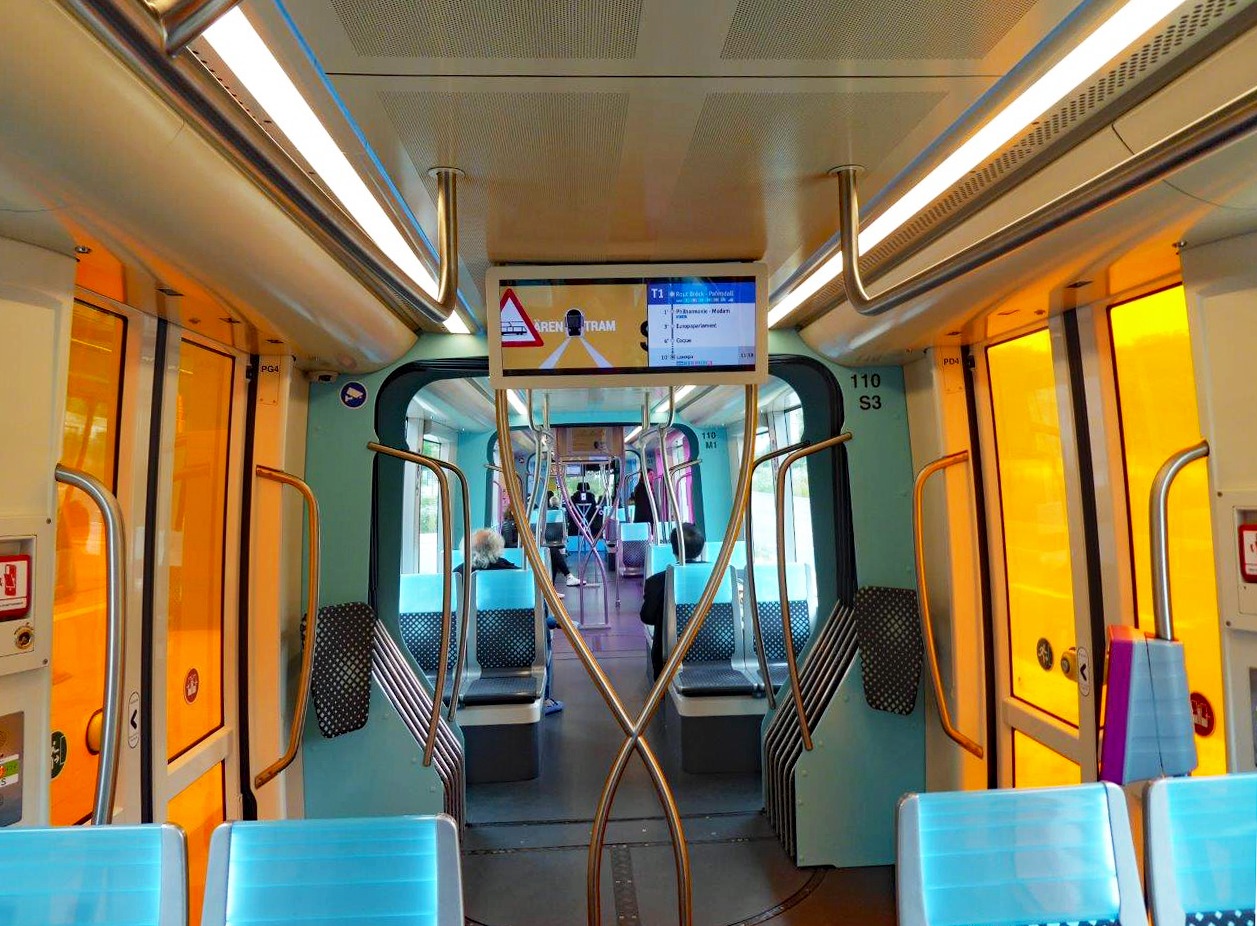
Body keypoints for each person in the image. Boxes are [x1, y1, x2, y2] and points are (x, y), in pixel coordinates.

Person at [455, 528, 564, 715]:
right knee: (543, 629)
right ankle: (546, 699)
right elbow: (537, 610)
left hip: (469, 645)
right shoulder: (516, 574)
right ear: (497, 548)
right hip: (515, 644)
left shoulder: (457, 575)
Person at [640, 522, 705, 680]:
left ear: (674, 549)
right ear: (702, 548)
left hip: (668, 655)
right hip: (712, 652)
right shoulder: (718, 579)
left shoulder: (656, 582)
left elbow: (647, 617)